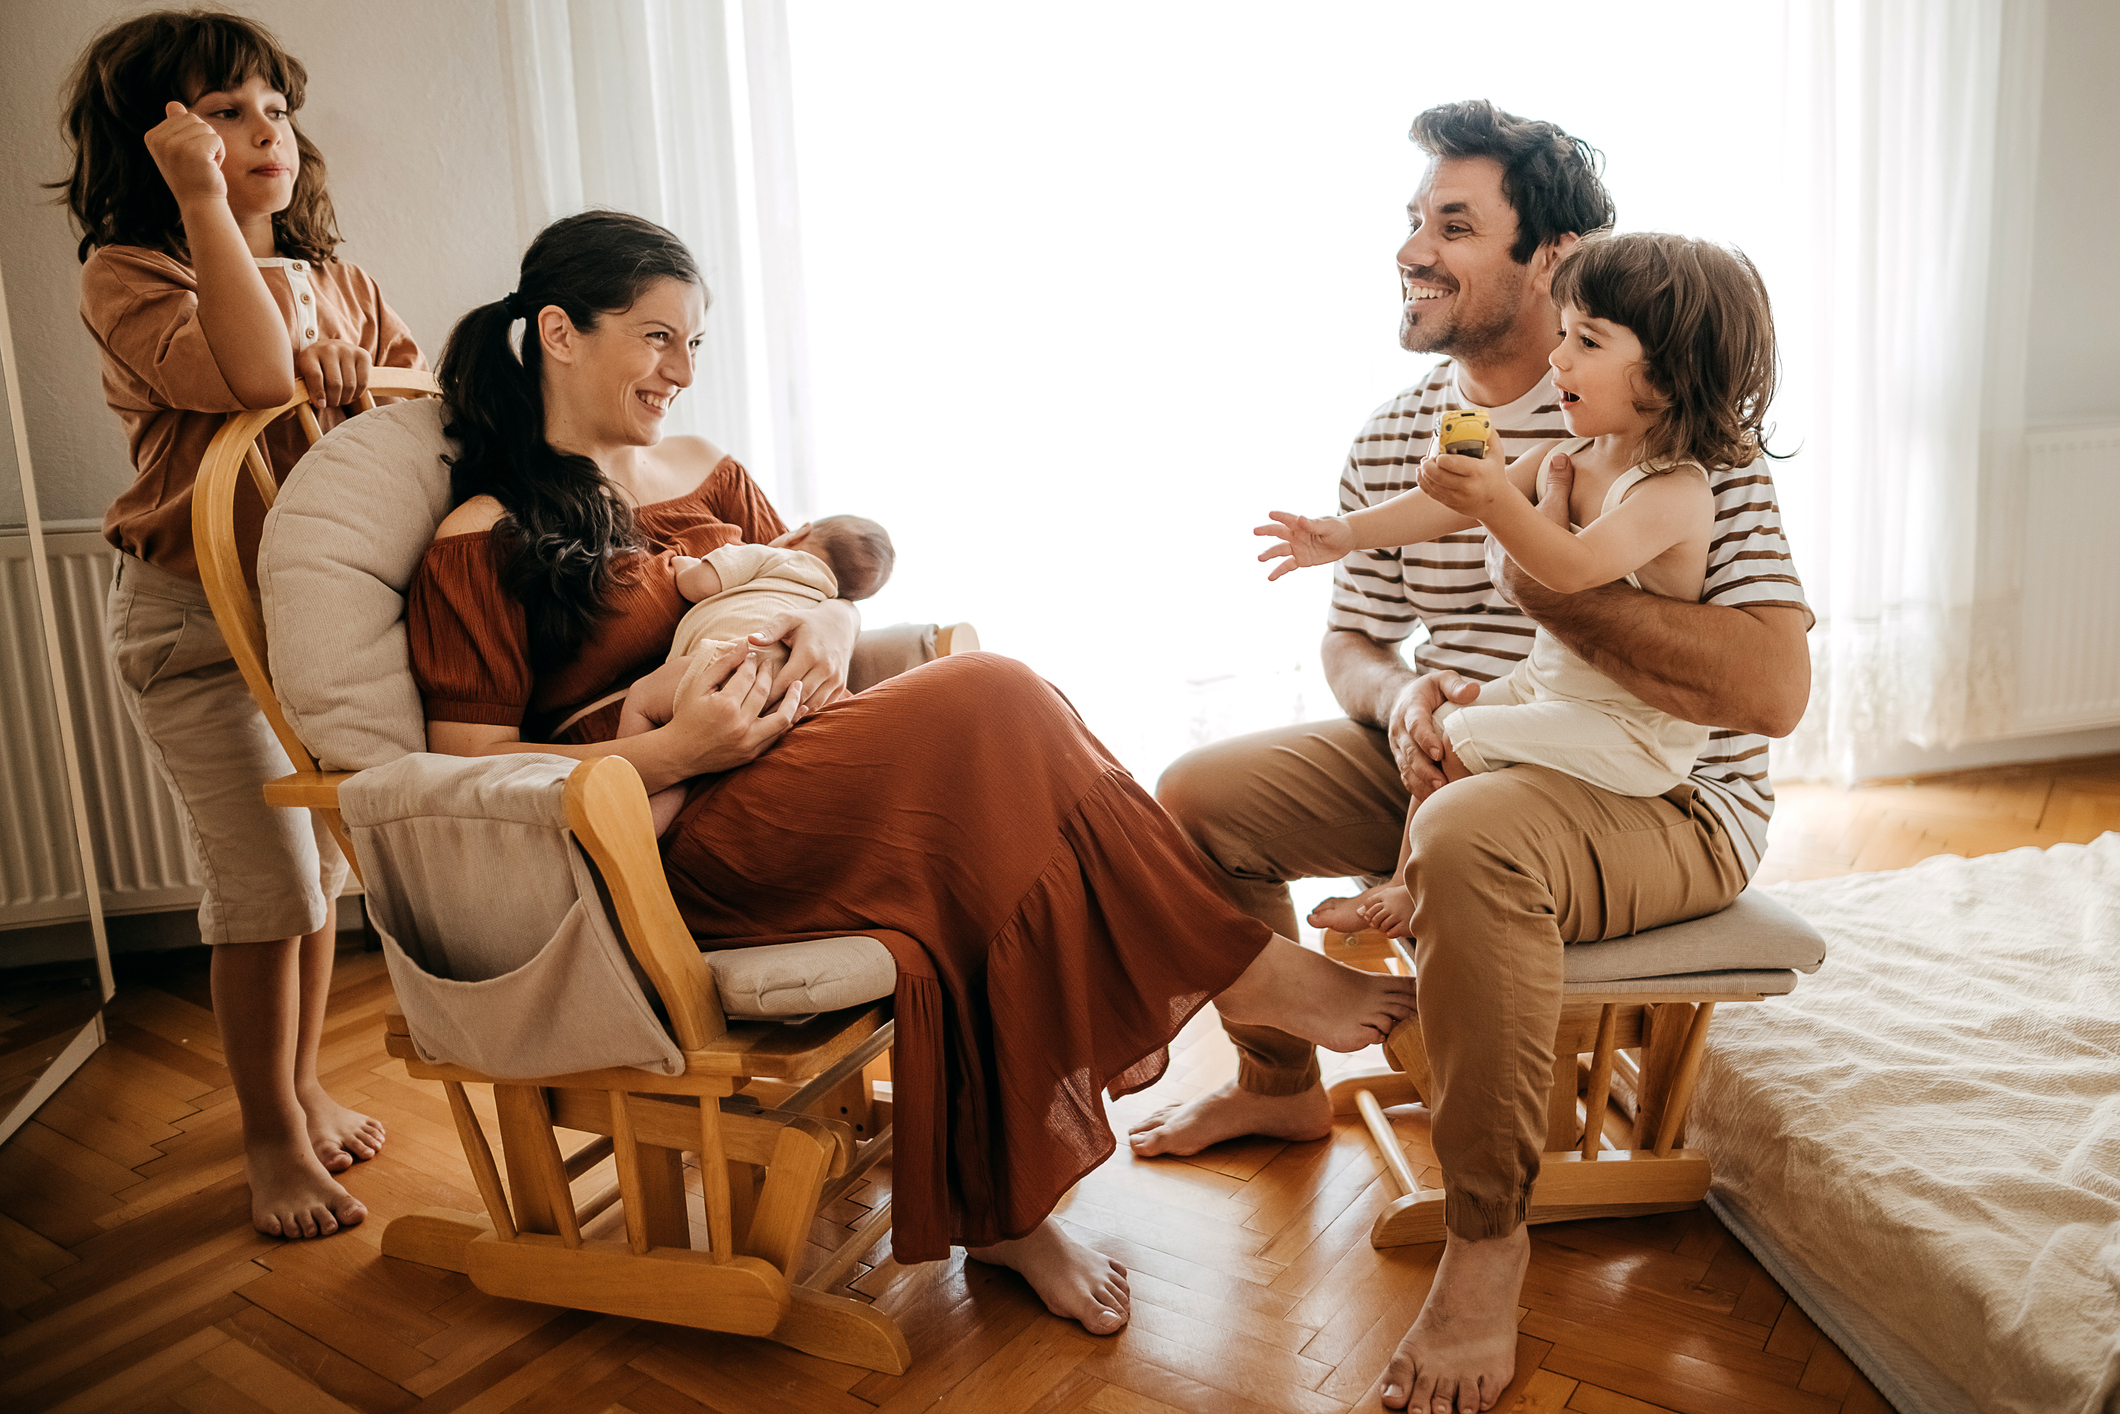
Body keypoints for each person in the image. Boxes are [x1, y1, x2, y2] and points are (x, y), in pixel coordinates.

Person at [404, 209, 1418, 1336]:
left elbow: (814, 596)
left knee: (986, 768)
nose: (680, 372)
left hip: (799, 766)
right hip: (672, 836)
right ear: (556, 331)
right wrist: (676, 748)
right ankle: (1233, 976)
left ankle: (1010, 1206)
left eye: (693, 343)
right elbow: (469, 780)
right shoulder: (485, 534)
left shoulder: (708, 474)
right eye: (655, 338)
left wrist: (829, 638)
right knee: (993, 699)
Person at [1132, 101, 1811, 1413]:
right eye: (1411, 220)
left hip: (1659, 789)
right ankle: (1278, 1086)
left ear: (1551, 256)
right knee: (1197, 795)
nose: (1413, 249)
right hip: (1474, 739)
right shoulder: (1404, 428)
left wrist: (1545, 587)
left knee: (1464, 834)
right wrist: (1399, 702)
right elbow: (1357, 642)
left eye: (1455, 225)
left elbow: (1772, 690)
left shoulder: (1690, 450)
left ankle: (1486, 1242)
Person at [57, 10, 420, 1241]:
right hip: (192, 624)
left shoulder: (345, 281)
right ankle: (267, 1134)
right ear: (157, 146)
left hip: (309, 625)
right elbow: (257, 376)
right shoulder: (133, 272)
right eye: (222, 114)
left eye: (273, 107)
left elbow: (415, 412)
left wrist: (359, 373)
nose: (262, 130)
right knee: (261, 882)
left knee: (316, 879)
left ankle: (304, 1081)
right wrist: (209, 210)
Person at [1256, 231, 1779, 939]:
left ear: (1664, 377)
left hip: (1633, 730)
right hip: (1553, 688)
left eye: (1587, 342)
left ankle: (1412, 893)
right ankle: (1406, 882)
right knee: (1443, 730)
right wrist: (1347, 533)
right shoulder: (1573, 453)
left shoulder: (1675, 490)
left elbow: (1570, 572)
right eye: (1563, 332)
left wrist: (1497, 500)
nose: (1557, 355)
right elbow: (1453, 505)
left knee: (1463, 733)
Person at [613, 514, 894, 831]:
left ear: (798, 534)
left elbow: (697, 584)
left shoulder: (770, 555)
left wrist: (682, 563)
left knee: (646, 702)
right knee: (693, 764)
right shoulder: (823, 601)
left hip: (728, 662)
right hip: (788, 694)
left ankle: (629, 809)